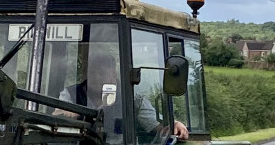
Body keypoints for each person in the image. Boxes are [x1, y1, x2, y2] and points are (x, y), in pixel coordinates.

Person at [57, 53, 189, 139]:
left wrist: (174, 125)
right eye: (92, 73)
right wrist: (63, 112)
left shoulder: (133, 99)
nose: (96, 77)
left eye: (101, 73)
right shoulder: (70, 94)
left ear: (113, 75)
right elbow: (55, 116)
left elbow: (156, 126)